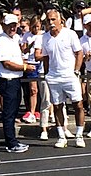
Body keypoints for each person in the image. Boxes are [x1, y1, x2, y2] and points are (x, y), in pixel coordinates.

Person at [35, 8, 85, 148]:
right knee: (57, 106)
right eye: (48, 20)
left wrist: (76, 70)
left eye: (53, 19)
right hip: (54, 77)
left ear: (60, 20)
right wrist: (47, 74)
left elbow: (79, 53)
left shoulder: (70, 34)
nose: (51, 23)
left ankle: (79, 135)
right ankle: (61, 136)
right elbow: (45, 57)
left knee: (78, 104)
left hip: (70, 75)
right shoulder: (44, 37)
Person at [0, 14, 29, 153]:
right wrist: (25, 67)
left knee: (13, 111)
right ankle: (11, 143)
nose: (13, 27)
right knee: (9, 113)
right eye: (10, 25)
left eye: (14, 25)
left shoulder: (15, 38)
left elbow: (17, 57)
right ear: (4, 26)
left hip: (15, 79)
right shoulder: (1, 40)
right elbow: (6, 63)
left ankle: (12, 139)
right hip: (7, 80)